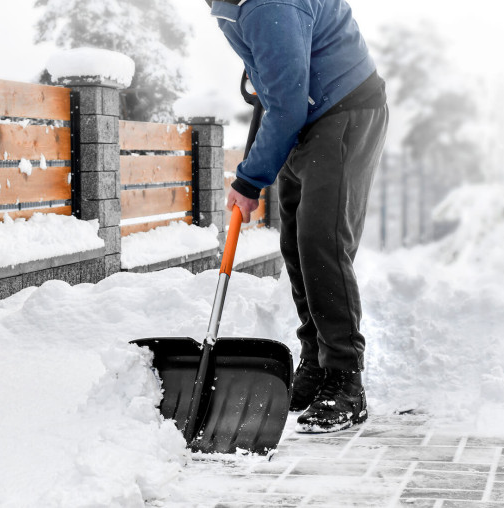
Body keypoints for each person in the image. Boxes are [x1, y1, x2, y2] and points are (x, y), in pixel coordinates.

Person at [207, 0, 388, 433]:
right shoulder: (229, 4)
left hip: (342, 110)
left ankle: (345, 380)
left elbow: (286, 101)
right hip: (304, 111)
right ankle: (317, 362)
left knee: (321, 242)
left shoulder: (269, 3)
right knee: (295, 246)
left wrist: (250, 180)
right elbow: (274, 87)